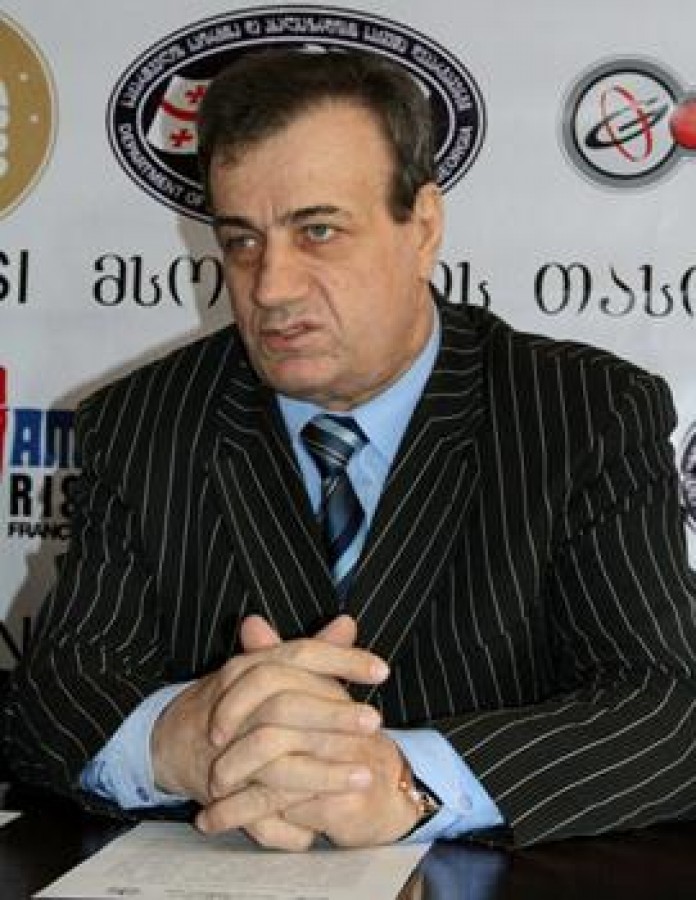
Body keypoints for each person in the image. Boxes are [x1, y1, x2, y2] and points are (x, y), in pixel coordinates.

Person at [3, 49, 696, 851]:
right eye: (241, 241)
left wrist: (407, 780)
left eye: (318, 231)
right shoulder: (141, 423)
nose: (270, 287)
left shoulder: (583, 412)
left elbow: (667, 708)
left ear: (423, 227)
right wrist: (175, 739)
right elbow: (53, 698)